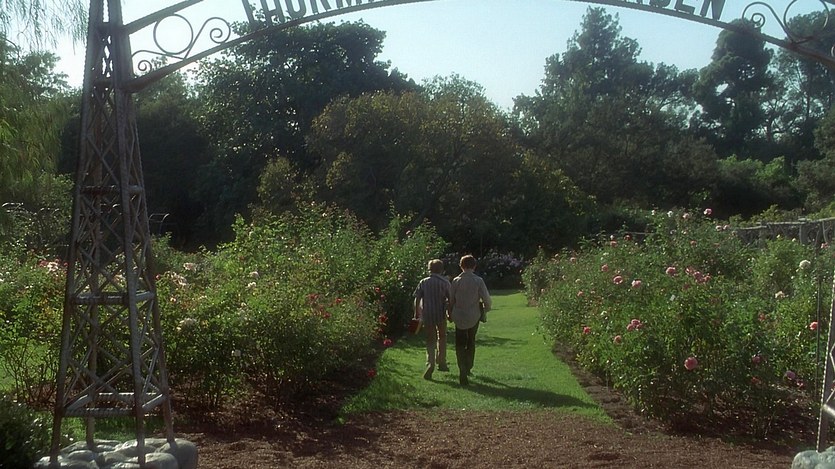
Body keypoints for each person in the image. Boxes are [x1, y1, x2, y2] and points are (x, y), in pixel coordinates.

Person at [449, 254, 491, 386]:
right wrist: (486, 308)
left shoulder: (456, 281)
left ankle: (462, 367)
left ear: (461, 266)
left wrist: (450, 313)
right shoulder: (478, 280)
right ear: (474, 266)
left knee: (460, 343)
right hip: (473, 315)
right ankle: (468, 365)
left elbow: (451, 299)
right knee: (471, 341)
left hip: (459, 315)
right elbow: (486, 298)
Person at [413, 259, 451, 380]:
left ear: (429, 269)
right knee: (442, 336)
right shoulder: (445, 283)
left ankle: (430, 363)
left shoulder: (423, 282)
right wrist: (449, 313)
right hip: (440, 313)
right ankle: (442, 361)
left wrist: (417, 313)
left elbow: (417, 298)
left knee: (430, 339)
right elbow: (450, 299)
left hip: (427, 313)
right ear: (441, 270)